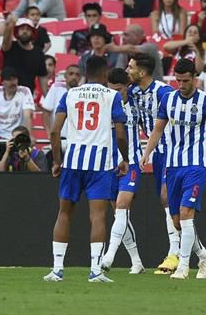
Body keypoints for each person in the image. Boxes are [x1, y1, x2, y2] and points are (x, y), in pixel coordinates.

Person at [139, 58, 206, 280]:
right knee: (177, 221)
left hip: (196, 165)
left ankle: (183, 266)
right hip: (172, 166)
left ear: (194, 79)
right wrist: (146, 153)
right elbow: (158, 130)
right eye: (178, 80)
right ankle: (203, 255)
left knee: (186, 213)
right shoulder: (168, 99)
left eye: (185, 80)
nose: (181, 84)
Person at [44, 55, 129, 283]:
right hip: (100, 164)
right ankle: (95, 271)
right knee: (98, 216)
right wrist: (125, 157)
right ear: (105, 74)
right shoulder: (111, 96)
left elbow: (54, 131)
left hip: (72, 163)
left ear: (84, 72)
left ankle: (57, 269)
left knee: (64, 213)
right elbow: (120, 134)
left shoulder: (69, 94)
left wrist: (56, 160)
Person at [126, 54, 180, 274]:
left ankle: (174, 254)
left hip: (172, 150)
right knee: (169, 204)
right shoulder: (132, 92)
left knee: (167, 197)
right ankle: (200, 253)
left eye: (130, 67)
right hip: (156, 153)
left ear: (142, 72)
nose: (127, 70)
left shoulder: (163, 91)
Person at [100, 68, 145, 274]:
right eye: (111, 90)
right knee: (120, 214)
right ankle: (136, 261)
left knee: (122, 205)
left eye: (118, 90)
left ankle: (109, 255)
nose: (114, 94)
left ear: (127, 87)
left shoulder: (137, 104)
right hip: (109, 165)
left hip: (132, 162)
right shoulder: (104, 104)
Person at [2, 16, 48, 95]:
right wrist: (11, 25)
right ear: (17, 31)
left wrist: (47, 99)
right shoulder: (10, 47)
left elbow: (42, 77)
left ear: (32, 33)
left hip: (27, 95)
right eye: (22, 29)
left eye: (28, 29)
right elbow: (5, 41)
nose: (25, 31)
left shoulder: (38, 52)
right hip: (7, 94)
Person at [41, 64, 80, 141]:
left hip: (76, 139)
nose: (74, 77)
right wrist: (49, 134)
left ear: (80, 77)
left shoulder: (83, 92)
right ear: (65, 76)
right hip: (58, 137)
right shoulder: (56, 88)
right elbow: (46, 112)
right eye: (71, 74)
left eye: (77, 75)